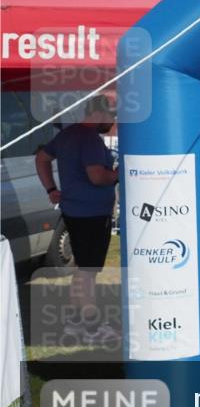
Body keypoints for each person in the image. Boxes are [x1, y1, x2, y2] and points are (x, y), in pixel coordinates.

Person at [35, 95, 119, 342]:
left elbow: (41, 158)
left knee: (82, 269)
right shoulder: (90, 139)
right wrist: (117, 174)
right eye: (111, 116)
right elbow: (97, 177)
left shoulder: (68, 134)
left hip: (74, 211)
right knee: (88, 272)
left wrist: (51, 189)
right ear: (100, 113)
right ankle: (93, 326)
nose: (113, 122)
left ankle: (74, 323)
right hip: (91, 214)